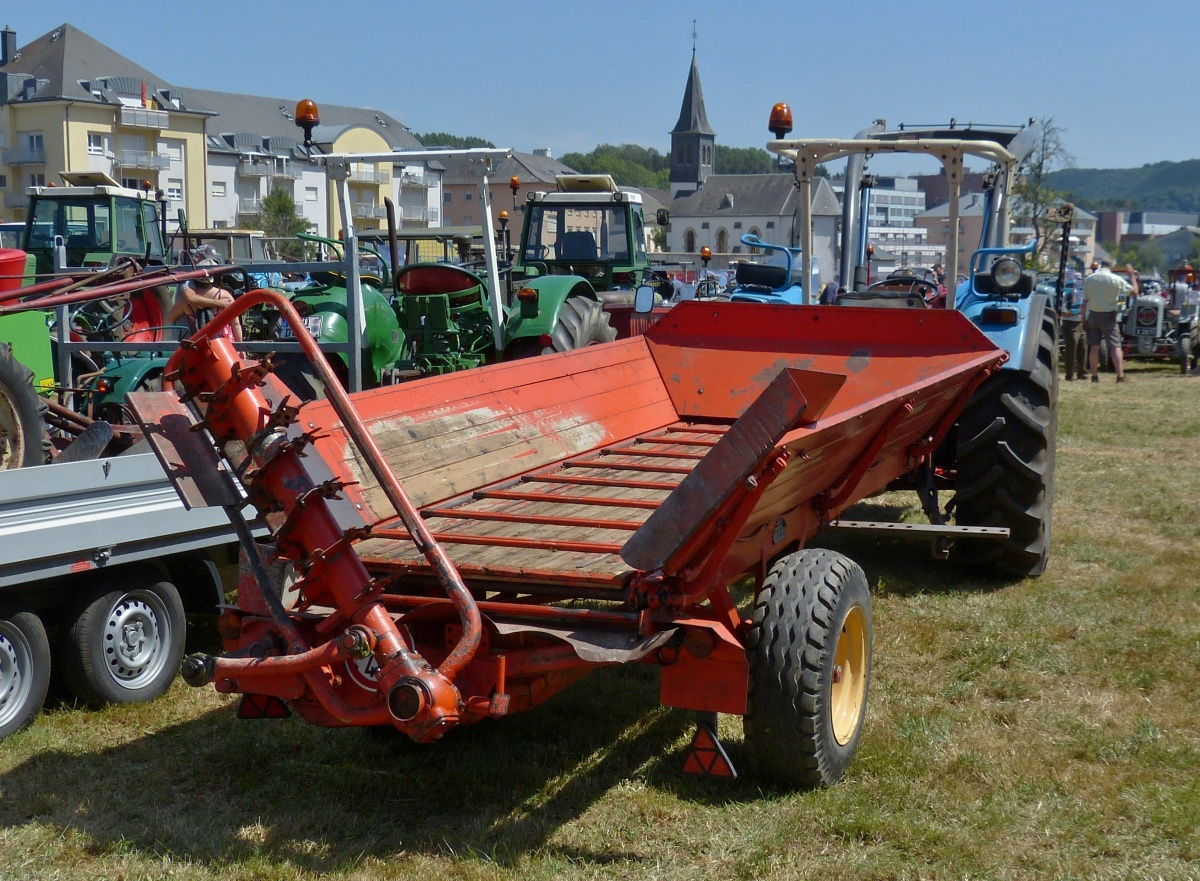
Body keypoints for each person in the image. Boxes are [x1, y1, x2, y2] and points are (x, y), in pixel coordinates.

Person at [165, 250, 242, 341]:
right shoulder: (224, 297)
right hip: (223, 345)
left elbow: (170, 318)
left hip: (199, 345)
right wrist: (241, 347)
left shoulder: (185, 300)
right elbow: (236, 324)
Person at [1083, 260, 1137, 383]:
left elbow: (1085, 301)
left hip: (1093, 314)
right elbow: (1134, 292)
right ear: (1111, 266)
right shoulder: (1115, 279)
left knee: (1094, 347)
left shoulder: (1089, 279)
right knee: (1115, 346)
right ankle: (1120, 376)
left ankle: (1094, 376)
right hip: (1109, 316)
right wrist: (1132, 277)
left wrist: (1083, 319)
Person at [1059, 267, 1086, 380]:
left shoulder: (1082, 294)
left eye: (1081, 280)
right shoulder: (1067, 294)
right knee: (1071, 351)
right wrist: (1076, 312)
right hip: (1070, 324)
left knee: (1082, 349)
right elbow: (1062, 312)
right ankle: (1069, 375)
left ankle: (1082, 373)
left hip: (1080, 324)